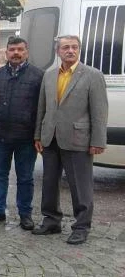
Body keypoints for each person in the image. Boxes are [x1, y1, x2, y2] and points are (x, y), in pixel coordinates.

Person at [33, 35, 108, 245]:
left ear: (79, 50)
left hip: (78, 139)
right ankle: (51, 220)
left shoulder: (92, 75)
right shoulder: (48, 75)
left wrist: (98, 140)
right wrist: (38, 134)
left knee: (80, 185)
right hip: (50, 138)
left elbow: (99, 111)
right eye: (66, 47)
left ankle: (82, 226)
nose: (70, 51)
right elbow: (42, 108)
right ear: (58, 51)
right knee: (49, 182)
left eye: (74, 47)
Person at [0, 37, 43, 230]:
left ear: (26, 52)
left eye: (20, 49)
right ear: (6, 52)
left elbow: (42, 108)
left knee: (25, 177)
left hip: (26, 137)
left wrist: (38, 134)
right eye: (12, 50)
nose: (16, 53)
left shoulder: (38, 76)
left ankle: (25, 214)